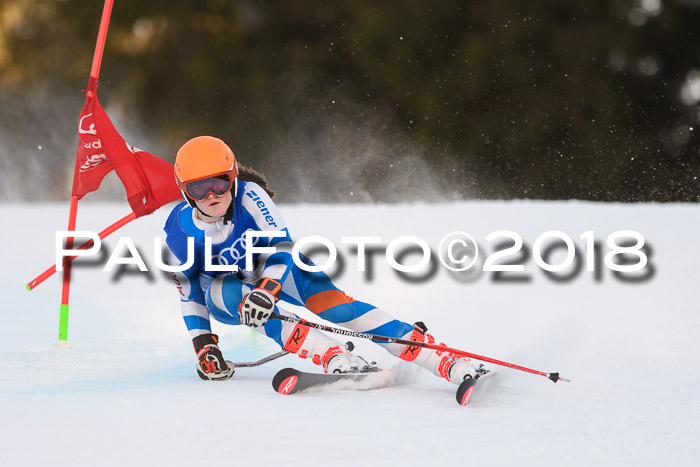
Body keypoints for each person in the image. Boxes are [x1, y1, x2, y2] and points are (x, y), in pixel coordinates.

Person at [164, 135, 479, 383]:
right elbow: (191, 296)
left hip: (276, 269)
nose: (211, 194)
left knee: (336, 307)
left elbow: (282, 249)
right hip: (228, 297)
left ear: (232, 177)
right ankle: (330, 354)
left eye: (218, 181)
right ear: (185, 191)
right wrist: (205, 346)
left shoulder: (250, 196)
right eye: (199, 186)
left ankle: (438, 357)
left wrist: (267, 290)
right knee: (227, 290)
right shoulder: (177, 233)